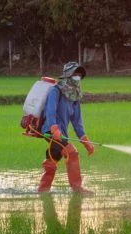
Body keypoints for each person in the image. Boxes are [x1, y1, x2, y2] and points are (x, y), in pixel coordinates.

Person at [37, 61, 96, 193]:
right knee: (71, 152)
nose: (77, 77)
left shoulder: (74, 96)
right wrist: (54, 127)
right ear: (68, 75)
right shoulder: (55, 90)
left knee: (53, 159)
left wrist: (85, 140)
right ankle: (77, 187)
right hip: (50, 130)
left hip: (61, 133)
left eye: (79, 74)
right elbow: (50, 110)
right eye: (75, 73)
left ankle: (42, 190)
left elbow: (77, 121)